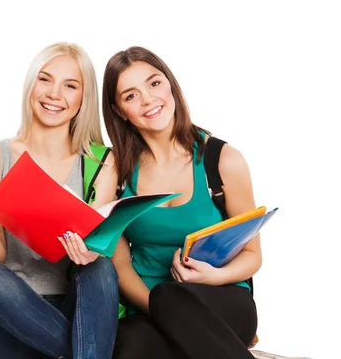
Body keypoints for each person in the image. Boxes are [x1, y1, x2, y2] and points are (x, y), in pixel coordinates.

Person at [0, 42, 120, 359]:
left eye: (70, 86)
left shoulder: (101, 164)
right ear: (31, 84)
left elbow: (101, 251)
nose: (54, 94)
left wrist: (89, 253)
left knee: (100, 267)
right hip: (9, 313)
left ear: (83, 98)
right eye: (45, 79)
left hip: (77, 309)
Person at [103, 46, 260, 359]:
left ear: (170, 85)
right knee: (128, 345)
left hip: (222, 299)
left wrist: (213, 276)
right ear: (120, 110)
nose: (148, 99)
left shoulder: (223, 161)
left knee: (170, 299)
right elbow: (118, 264)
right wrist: (163, 312)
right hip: (149, 305)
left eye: (154, 83)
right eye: (131, 95)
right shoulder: (116, 172)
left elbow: (253, 255)